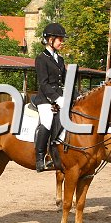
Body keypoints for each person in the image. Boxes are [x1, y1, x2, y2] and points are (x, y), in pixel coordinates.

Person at [33, 23, 67, 172]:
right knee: (47, 121)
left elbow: (64, 80)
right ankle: (40, 158)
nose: (62, 42)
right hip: (45, 99)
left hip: (59, 97)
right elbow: (43, 83)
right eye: (60, 39)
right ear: (50, 40)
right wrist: (56, 98)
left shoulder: (60, 60)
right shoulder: (41, 58)